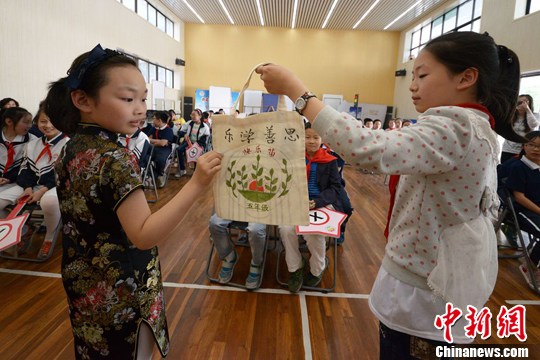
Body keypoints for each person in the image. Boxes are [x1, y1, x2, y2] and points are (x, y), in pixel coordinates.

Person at [256, 31, 521, 356]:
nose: (412, 85)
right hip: (443, 278)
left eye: (423, 75)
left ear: (466, 77)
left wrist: (298, 92)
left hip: (425, 295)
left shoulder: (456, 127)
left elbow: (365, 147)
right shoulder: (477, 128)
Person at [43, 44, 222, 360]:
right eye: (127, 99)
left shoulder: (71, 149)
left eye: (142, 99)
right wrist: (198, 184)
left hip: (84, 282)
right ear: (82, 100)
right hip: (123, 288)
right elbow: (143, 234)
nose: (140, 109)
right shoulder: (115, 158)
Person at [279, 123, 344, 292]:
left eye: (316, 137)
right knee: (286, 230)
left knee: (314, 232)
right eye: (307, 137)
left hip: (321, 203)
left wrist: (316, 202)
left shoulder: (330, 160)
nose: (312, 141)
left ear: (322, 139)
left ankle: (317, 269)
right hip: (296, 203)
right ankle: (295, 268)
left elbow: (336, 188)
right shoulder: (294, 157)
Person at [0, 106, 69, 258]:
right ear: (37, 122)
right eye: (43, 121)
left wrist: (42, 190)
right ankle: (21, 232)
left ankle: (49, 238)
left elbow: (62, 174)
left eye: (53, 121)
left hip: (56, 186)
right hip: (32, 186)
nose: (48, 125)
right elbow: (24, 170)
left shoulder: (69, 144)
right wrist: (28, 187)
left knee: (49, 202)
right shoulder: (32, 144)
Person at [504, 130, 540, 288]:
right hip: (524, 212)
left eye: (539, 146)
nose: (536, 149)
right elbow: (519, 197)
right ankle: (530, 266)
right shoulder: (519, 166)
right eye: (531, 145)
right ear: (524, 146)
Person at [208, 213, 267, 289]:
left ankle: (256, 263)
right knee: (214, 223)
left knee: (256, 230)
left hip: (259, 210)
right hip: (233, 206)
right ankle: (229, 256)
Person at [0, 107, 36, 190]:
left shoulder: (32, 140)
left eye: (31, 122)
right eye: (26, 122)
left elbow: (30, 167)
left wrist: (9, 179)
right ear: (9, 121)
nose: (30, 126)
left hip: (17, 183)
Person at [501, 94, 540, 163]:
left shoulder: (534, 115)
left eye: (524, 102)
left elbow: (533, 125)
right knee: (505, 169)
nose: (521, 104)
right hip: (507, 149)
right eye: (519, 102)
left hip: (524, 150)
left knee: (520, 170)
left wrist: (527, 109)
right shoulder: (510, 115)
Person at [174, 108, 210, 178]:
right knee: (179, 149)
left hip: (199, 143)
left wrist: (195, 145)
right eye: (192, 115)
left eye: (194, 115)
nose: (192, 116)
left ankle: (196, 171)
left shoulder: (205, 127)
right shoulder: (189, 123)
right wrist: (184, 134)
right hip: (188, 141)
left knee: (196, 152)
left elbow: (204, 140)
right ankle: (182, 169)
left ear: (200, 116)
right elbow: (179, 131)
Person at [149, 111, 174, 188]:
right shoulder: (153, 128)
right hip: (153, 148)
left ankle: (159, 175)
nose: (152, 120)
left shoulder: (168, 130)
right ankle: (158, 175)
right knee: (144, 159)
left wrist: (154, 141)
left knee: (160, 160)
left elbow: (163, 143)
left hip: (165, 149)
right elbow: (147, 139)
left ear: (159, 120)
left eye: (154, 119)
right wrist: (159, 141)